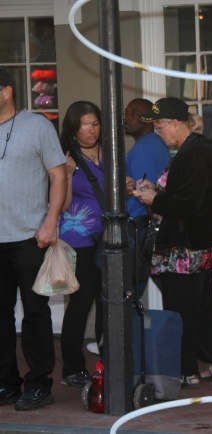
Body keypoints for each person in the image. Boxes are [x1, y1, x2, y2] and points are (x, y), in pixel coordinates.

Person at [133, 98, 212, 388]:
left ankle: (187, 370)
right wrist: (156, 189)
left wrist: (155, 199)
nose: (158, 132)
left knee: (182, 308)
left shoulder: (194, 153)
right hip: (197, 243)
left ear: (176, 124)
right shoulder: (195, 150)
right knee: (203, 304)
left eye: (160, 126)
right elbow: (188, 193)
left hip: (186, 246)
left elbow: (188, 204)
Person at [0, 66, 67, 410]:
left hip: (30, 237)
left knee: (36, 314)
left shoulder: (37, 126)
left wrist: (50, 222)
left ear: (6, 91)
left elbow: (58, 176)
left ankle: (39, 384)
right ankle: (6, 383)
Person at [57, 101, 104, 388]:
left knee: (108, 301)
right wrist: (68, 175)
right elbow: (61, 205)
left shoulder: (109, 153)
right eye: (85, 125)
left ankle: (109, 362)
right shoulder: (65, 157)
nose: (91, 130)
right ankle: (72, 368)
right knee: (81, 302)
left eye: (95, 124)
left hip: (107, 238)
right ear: (73, 129)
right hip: (78, 240)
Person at [124, 98, 171, 218]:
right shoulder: (157, 141)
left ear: (150, 121)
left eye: (135, 114)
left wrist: (149, 224)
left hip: (141, 221)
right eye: (126, 113)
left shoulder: (142, 149)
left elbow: (145, 193)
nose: (127, 117)